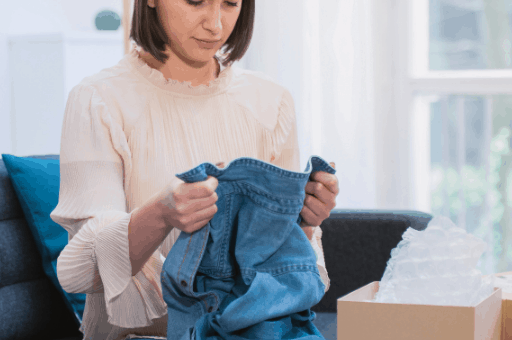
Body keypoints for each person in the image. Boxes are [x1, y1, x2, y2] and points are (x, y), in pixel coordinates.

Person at [48, 1, 339, 339]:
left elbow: (279, 269)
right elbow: (81, 273)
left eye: (230, 3)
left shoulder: (272, 102)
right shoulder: (97, 100)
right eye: (196, 1)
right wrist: (159, 214)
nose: (215, 25)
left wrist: (302, 220)